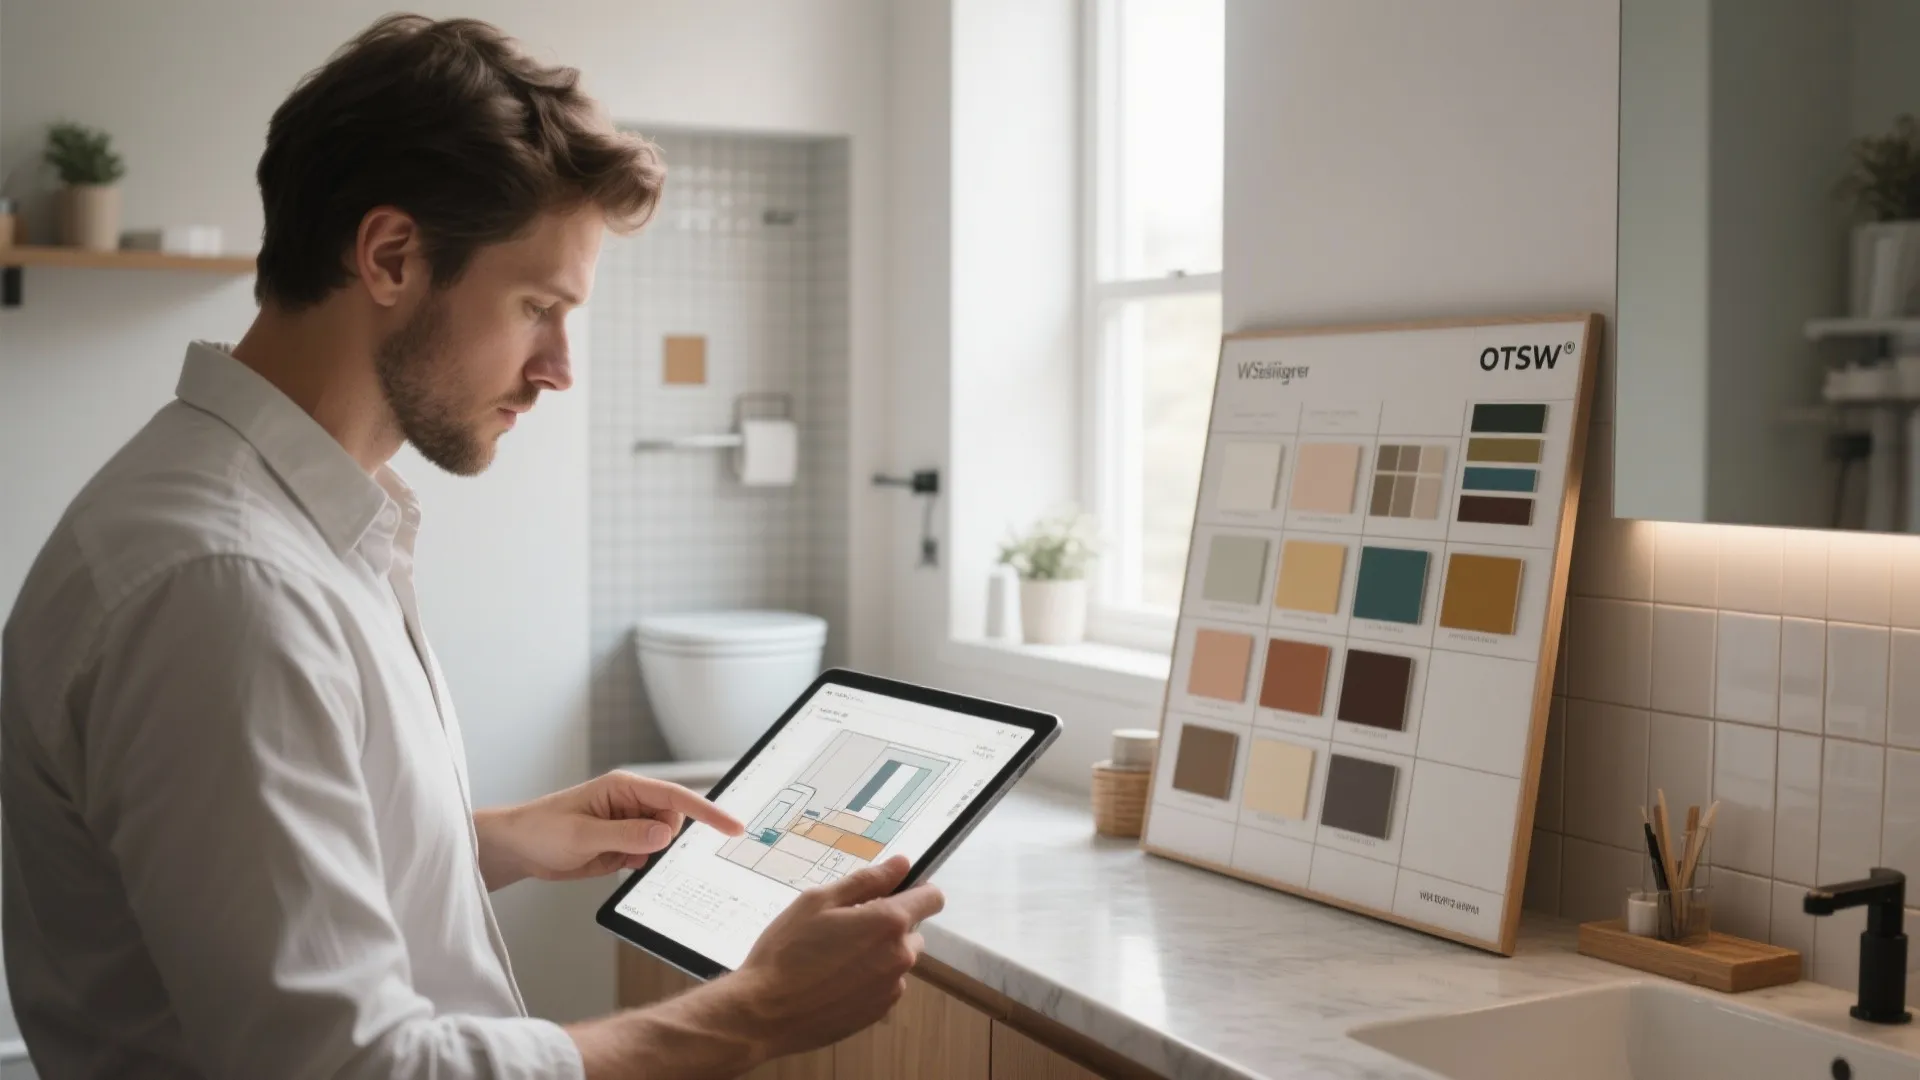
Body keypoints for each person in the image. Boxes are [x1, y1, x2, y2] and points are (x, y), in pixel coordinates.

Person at [0, 13, 942, 1079]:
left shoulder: (283, 527)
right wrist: (755, 1012)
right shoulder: (226, 586)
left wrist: (487, 838)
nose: (559, 369)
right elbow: (347, 1071)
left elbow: (250, 890)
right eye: (539, 305)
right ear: (392, 256)